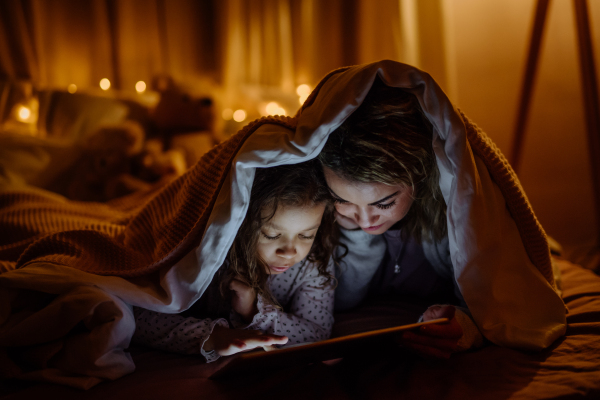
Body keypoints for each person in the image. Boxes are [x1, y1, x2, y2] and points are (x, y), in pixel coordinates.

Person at [316, 72, 565, 358]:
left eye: (383, 203)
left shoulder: (453, 215)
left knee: (546, 252)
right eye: (342, 200)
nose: (365, 219)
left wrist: (465, 325)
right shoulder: (327, 216)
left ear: (417, 177)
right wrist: (356, 236)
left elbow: (506, 295)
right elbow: (343, 298)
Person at [132, 160, 338, 362]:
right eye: (272, 235)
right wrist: (213, 337)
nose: (289, 252)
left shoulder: (315, 260)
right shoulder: (209, 255)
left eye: (306, 235)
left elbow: (317, 333)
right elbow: (139, 317)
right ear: (240, 221)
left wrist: (253, 311)